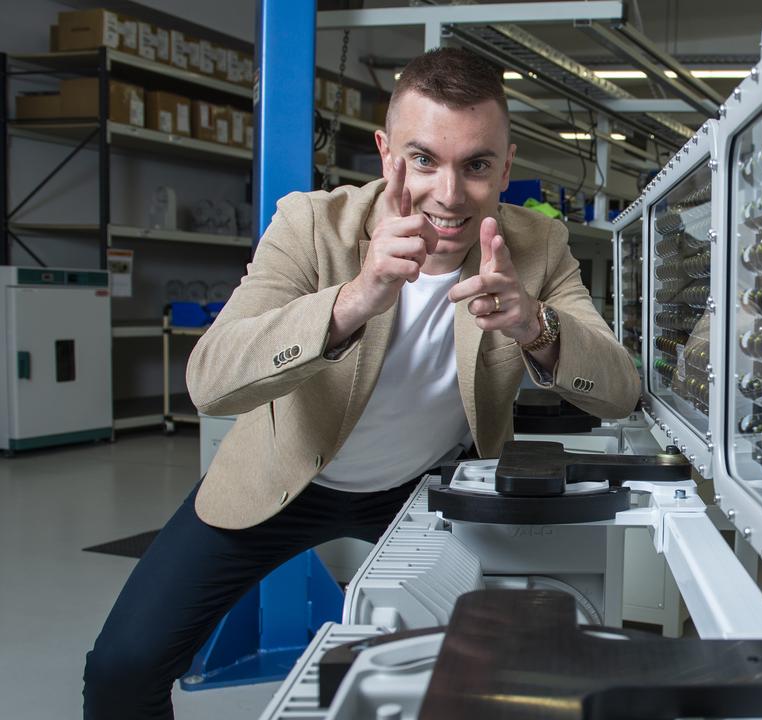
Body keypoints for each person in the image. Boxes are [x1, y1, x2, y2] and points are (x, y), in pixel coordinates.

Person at [83, 47, 639, 719]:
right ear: (385, 153)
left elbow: (620, 390)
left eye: (477, 166)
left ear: (506, 167)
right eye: (424, 159)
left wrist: (538, 327)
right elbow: (209, 379)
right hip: (286, 475)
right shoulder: (311, 226)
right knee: (121, 669)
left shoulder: (535, 248)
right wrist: (352, 300)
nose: (449, 193)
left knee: (491, 669)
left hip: (420, 487)